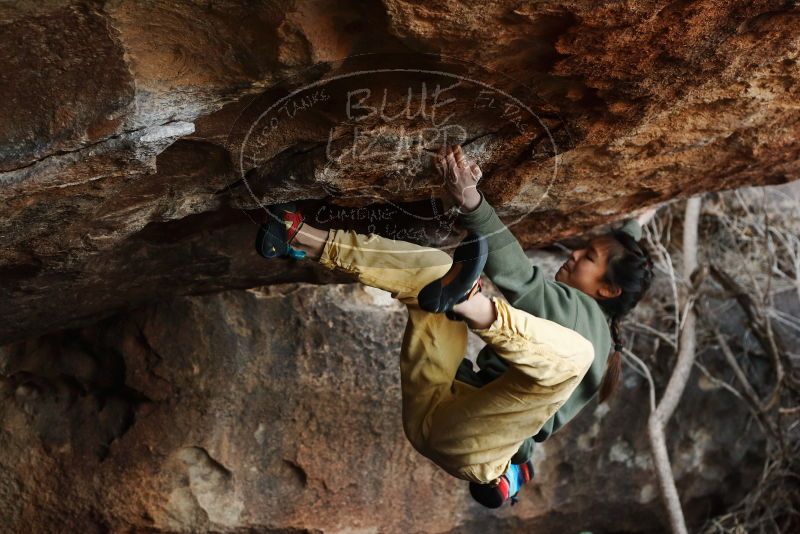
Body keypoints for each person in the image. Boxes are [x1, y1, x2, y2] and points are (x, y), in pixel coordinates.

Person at [255, 144, 656, 508]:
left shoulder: (580, 319)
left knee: (575, 357)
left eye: (589, 258)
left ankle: (470, 305)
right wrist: (636, 224)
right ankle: (298, 236)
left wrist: (472, 203)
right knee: (436, 270)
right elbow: (614, 269)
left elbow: (517, 274)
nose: (575, 253)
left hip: (475, 442)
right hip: (444, 407)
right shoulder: (600, 314)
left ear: (606, 290)